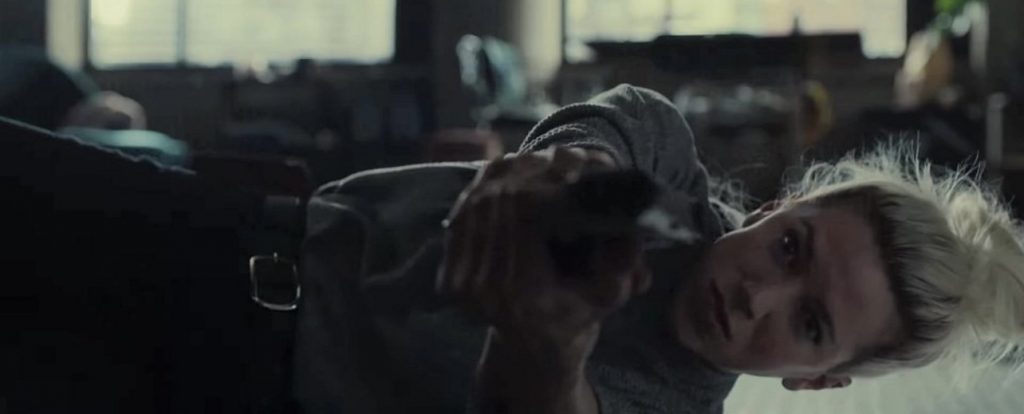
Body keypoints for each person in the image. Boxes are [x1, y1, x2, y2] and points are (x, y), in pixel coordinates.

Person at [297, 84, 1024, 414]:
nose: (757, 296)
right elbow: (594, 142)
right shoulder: (662, 153)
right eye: (789, 248)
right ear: (773, 209)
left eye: (809, 324)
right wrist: (574, 185)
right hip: (254, 226)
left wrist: (553, 341)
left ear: (818, 381)